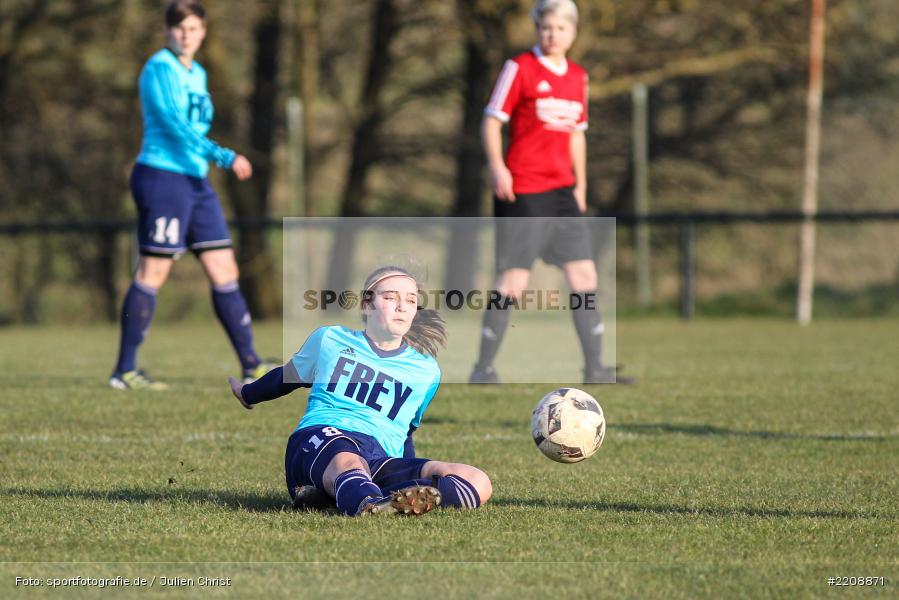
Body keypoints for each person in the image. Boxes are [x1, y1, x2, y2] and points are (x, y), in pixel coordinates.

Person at [229, 266, 493, 516]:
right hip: (322, 438)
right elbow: (285, 377)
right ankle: (367, 503)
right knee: (348, 460)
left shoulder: (426, 371)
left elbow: (405, 431)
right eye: (391, 297)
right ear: (367, 305)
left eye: (411, 300)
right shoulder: (330, 340)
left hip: (379, 458)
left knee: (477, 481)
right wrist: (247, 393)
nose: (402, 306)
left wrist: (410, 472)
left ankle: (356, 498)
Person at [109, 1, 273, 390]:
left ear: (204, 32)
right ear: (168, 31)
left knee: (224, 269)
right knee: (154, 271)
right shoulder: (159, 69)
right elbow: (176, 124)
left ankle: (252, 364)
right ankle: (125, 371)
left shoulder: (197, 73)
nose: (187, 35)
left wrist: (211, 160)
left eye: (195, 28)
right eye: (180, 28)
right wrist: (223, 155)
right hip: (163, 177)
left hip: (196, 183)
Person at [469, 0, 634, 385]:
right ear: (537, 29)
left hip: (562, 192)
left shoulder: (578, 77)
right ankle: (483, 368)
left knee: (584, 275)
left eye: (560, 28)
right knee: (513, 281)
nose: (552, 34)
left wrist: (580, 185)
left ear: (572, 32)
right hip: (524, 189)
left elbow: (577, 134)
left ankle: (594, 369)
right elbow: (491, 122)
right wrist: (498, 167)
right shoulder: (520, 68)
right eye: (546, 28)